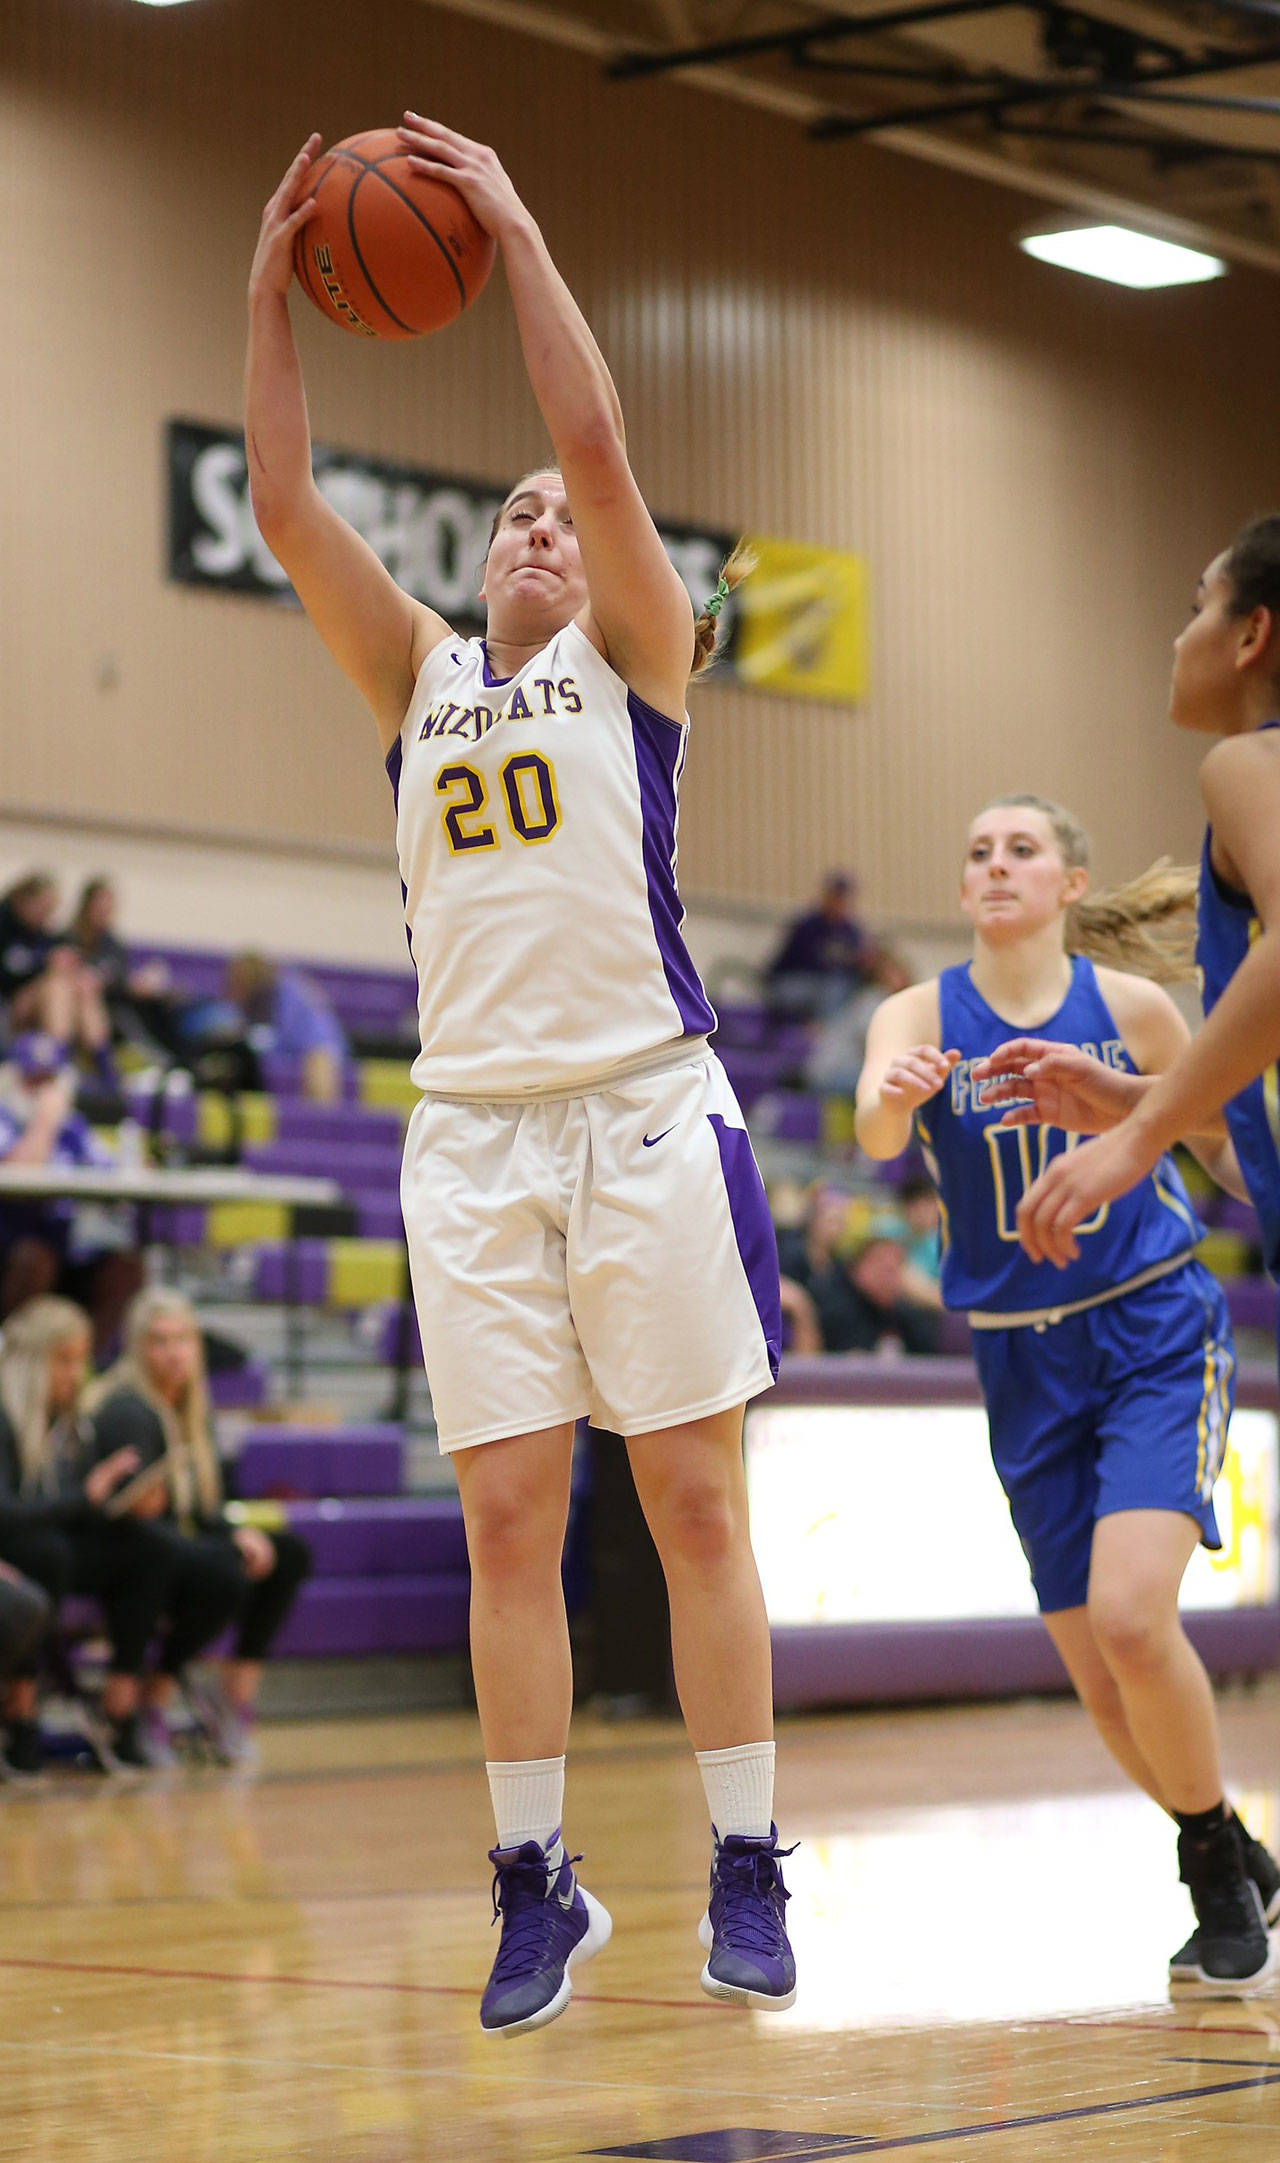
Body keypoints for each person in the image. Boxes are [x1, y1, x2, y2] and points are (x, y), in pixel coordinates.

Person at [245, 117, 794, 2035]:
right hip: (470, 1134)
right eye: (512, 524)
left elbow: (600, 444)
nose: (543, 526)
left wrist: (520, 226)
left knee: (696, 1506)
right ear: (471, 572)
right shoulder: (417, 680)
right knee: (505, 1520)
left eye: (556, 518)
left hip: (644, 1104)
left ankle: (744, 1850)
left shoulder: (636, 666)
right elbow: (289, 503)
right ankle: (530, 1880)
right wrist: (274, 280)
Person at [854, 793, 1279, 1991]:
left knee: (1132, 1617)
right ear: (962, 892)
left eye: (1020, 850)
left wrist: (1176, 1122)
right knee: (1099, 1678)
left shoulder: (1133, 1010)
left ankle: (1211, 1872)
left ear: (1066, 884)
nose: (994, 865)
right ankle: (1235, 1845)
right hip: (1016, 1356)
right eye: (977, 851)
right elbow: (876, 1131)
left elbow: (1230, 1161)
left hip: (1148, 1326)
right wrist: (897, 1093)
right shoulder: (919, 1011)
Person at [85, 1287, 312, 1768]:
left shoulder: (193, 1407)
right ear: (137, 1349)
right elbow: (138, 1517)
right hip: (133, 1554)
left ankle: (234, 1701)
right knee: (225, 1571)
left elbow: (205, 1511)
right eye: (159, 1341)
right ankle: (156, 1694)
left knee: (288, 1553)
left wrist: (234, 1531)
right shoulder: (127, 1408)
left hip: (182, 1546)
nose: (173, 1352)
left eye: (182, 1339)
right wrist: (221, 1542)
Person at [0, 1297, 184, 1773]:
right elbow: (9, 1514)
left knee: (150, 1546)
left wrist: (124, 1505)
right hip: (20, 1549)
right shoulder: (5, 1417)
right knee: (47, 1553)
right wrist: (87, 1496)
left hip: (58, 1545)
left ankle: (121, 1703)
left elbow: (79, 1512)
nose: (75, 1373)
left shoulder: (73, 1423)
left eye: (81, 1359)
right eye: (64, 1360)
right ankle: (22, 1709)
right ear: (33, 1362)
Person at [0, 1033, 144, 1355]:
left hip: (69, 1249)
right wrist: (45, 1119)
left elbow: (111, 1173)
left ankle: (86, 1367)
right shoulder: (6, 1119)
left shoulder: (73, 1127)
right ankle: (15, 1361)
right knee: (36, 1258)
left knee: (125, 1267)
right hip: (14, 1253)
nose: (42, 1093)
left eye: (49, 1081)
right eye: (32, 1081)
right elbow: (19, 1172)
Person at [0, 873, 111, 1071]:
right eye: (42, 907)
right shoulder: (5, 927)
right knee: (56, 985)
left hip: (42, 1002)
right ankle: (62, 1062)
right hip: (10, 1004)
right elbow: (10, 973)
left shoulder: (47, 936)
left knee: (81, 986)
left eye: (50, 910)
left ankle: (102, 1062)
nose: (46, 915)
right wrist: (44, 964)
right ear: (24, 901)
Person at [223, 953, 350, 1105]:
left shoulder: (291, 994)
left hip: (321, 1052)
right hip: (281, 1054)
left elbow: (321, 1042)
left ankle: (321, 1123)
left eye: (238, 983)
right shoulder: (249, 1006)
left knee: (321, 1064)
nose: (235, 990)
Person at [810, 1213, 941, 1356]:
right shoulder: (829, 1300)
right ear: (858, 1263)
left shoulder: (901, 1311)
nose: (888, 1276)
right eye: (880, 1262)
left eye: (896, 1265)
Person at [764, 871, 881, 1024]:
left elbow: (854, 965)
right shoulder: (807, 925)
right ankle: (822, 1033)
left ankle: (824, 1031)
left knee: (843, 989)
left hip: (828, 988)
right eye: (836, 897)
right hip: (793, 981)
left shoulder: (850, 930)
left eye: (844, 899)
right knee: (830, 988)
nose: (840, 903)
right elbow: (805, 960)